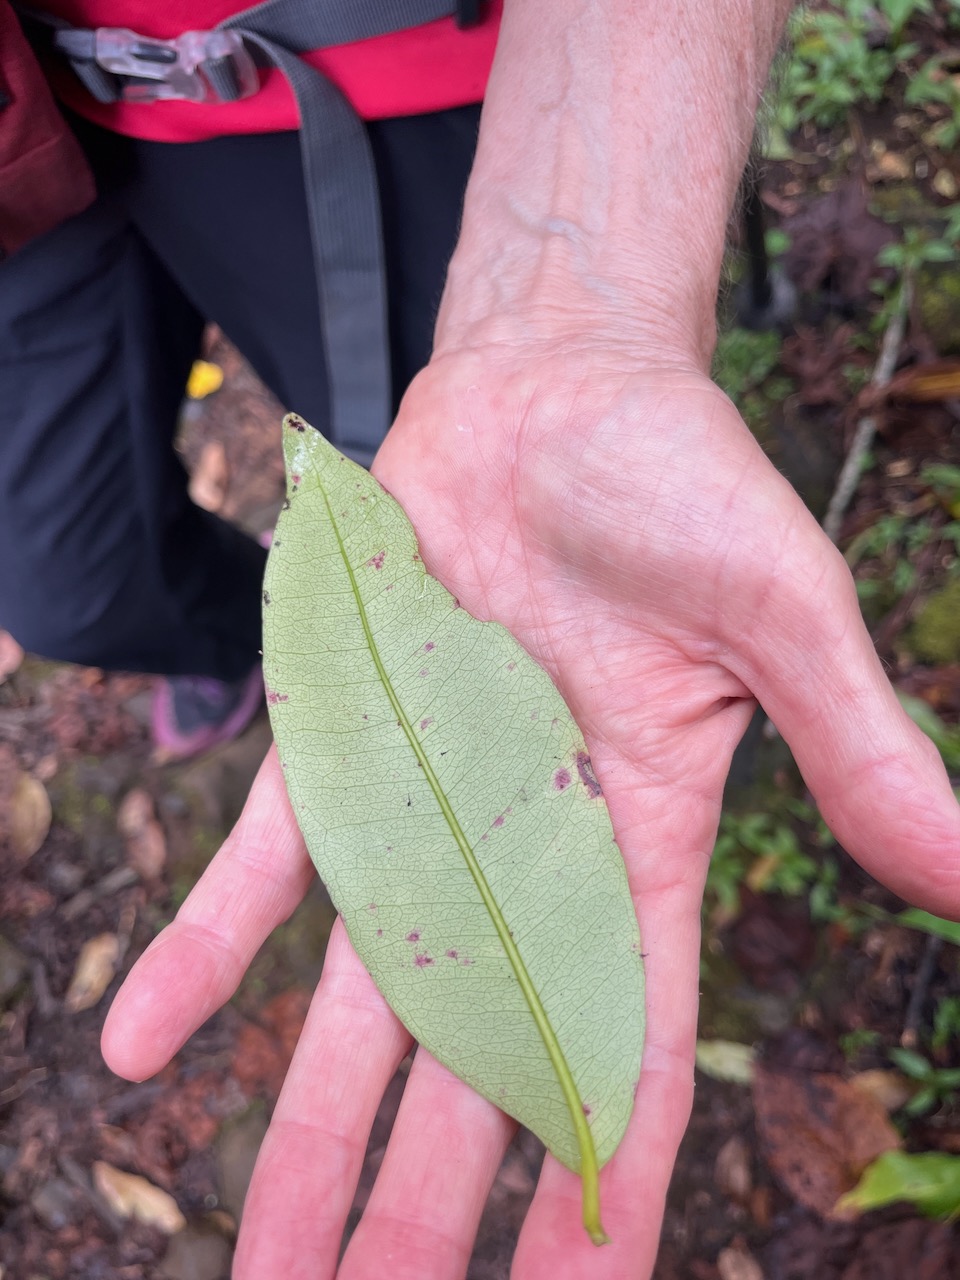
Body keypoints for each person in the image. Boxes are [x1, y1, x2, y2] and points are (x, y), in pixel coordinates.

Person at [18, 0, 960, 1274]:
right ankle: (257, 655)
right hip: (25, 152)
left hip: (383, 71)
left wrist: (586, 283)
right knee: (67, 572)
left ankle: (297, 646)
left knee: (419, 468)